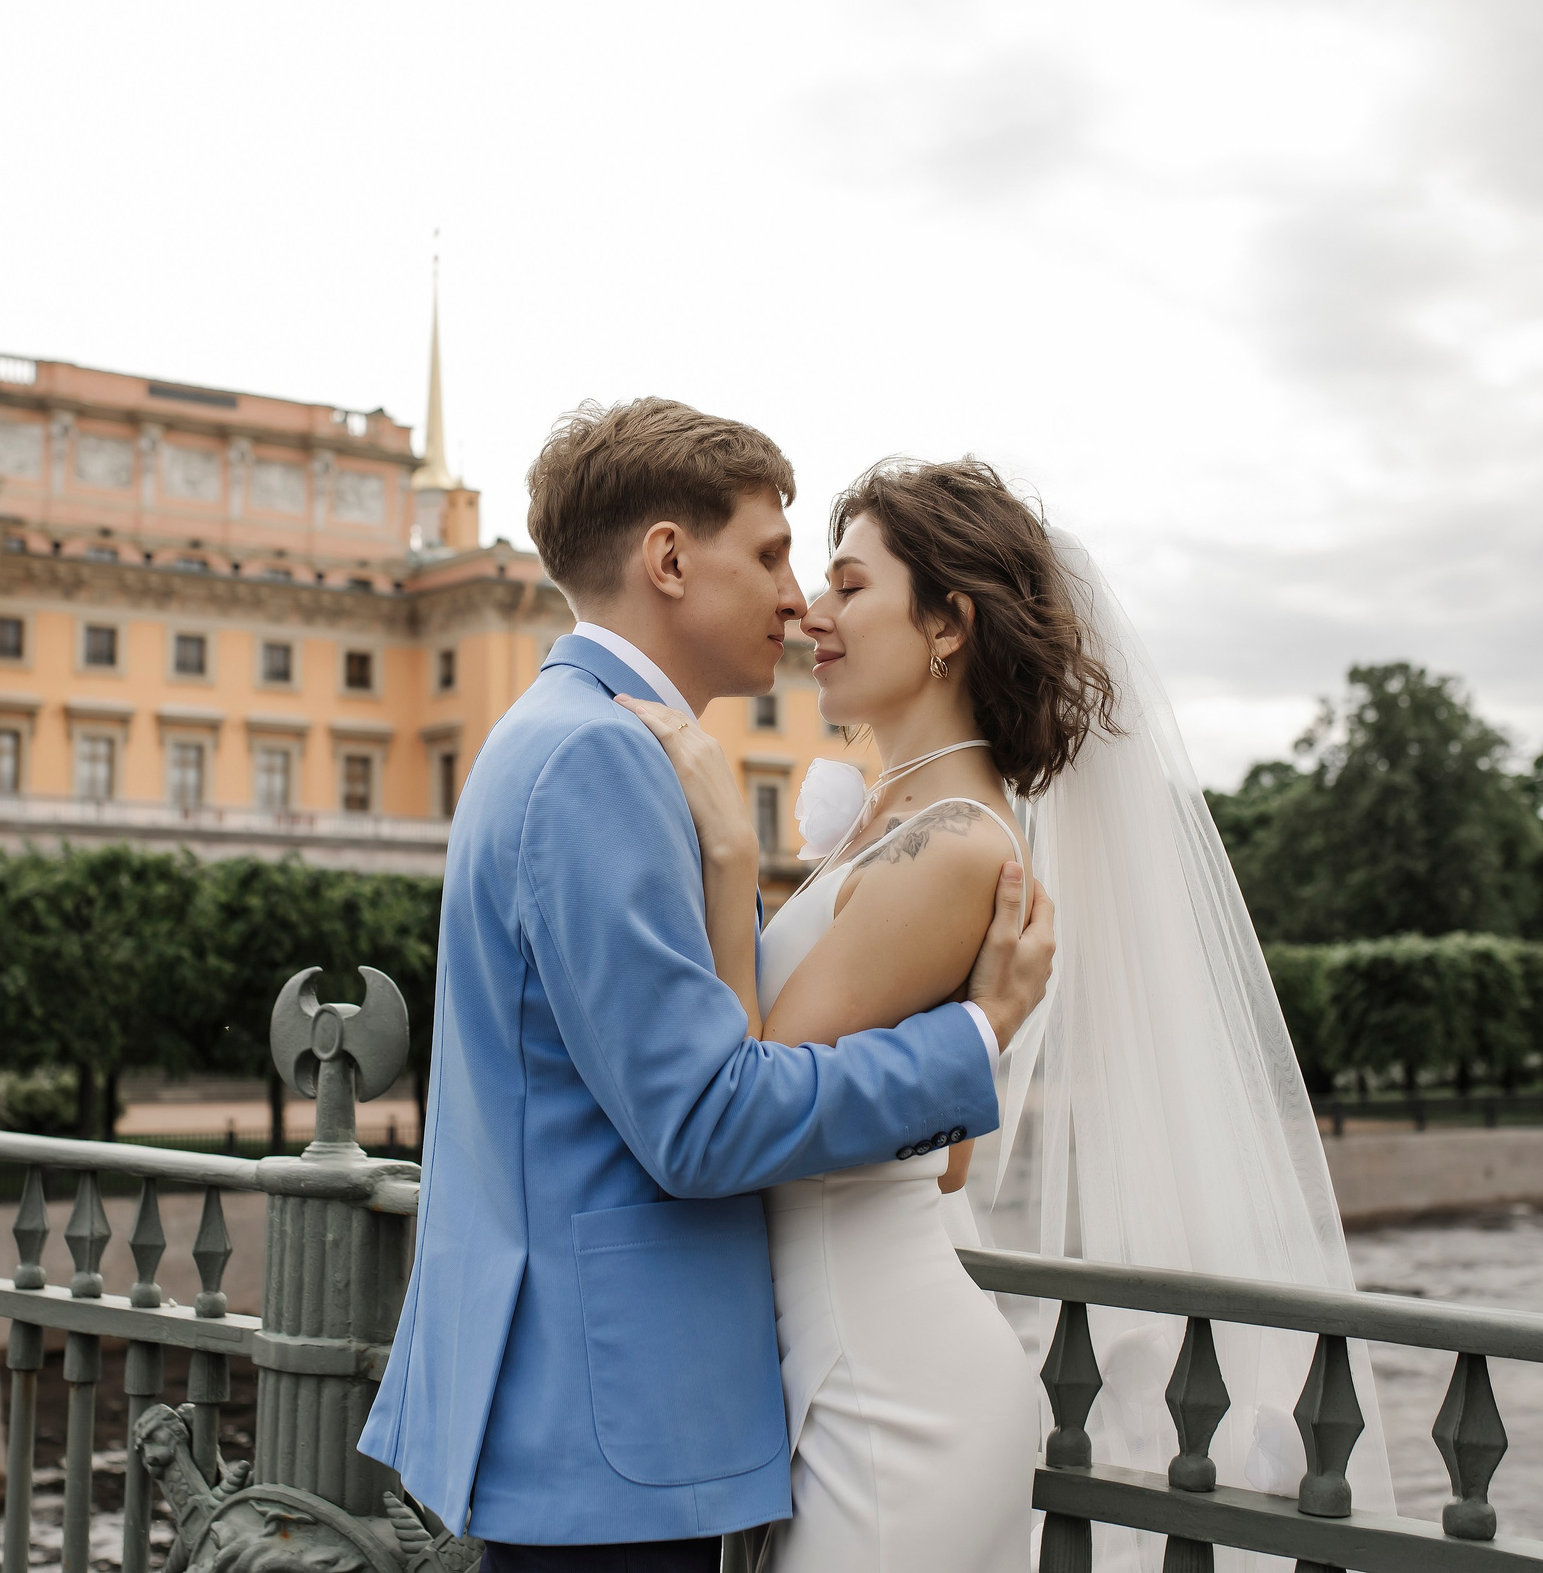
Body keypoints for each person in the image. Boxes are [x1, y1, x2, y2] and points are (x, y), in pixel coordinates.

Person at [634, 457, 1396, 1573]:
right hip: (840, 1359)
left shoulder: (957, 848)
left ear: (948, 625)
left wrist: (727, 856)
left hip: (887, 1389)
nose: (811, 611)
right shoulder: (899, 828)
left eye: (850, 587)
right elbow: (942, 1163)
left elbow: (742, 1105)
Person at [358, 401, 1060, 1573]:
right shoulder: (597, 757)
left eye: (824, 573)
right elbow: (702, 1120)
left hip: (648, 1406)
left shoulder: (569, 736)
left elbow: (907, 1154)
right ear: (670, 561)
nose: (799, 603)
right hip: (612, 1417)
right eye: (776, 557)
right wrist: (978, 1037)